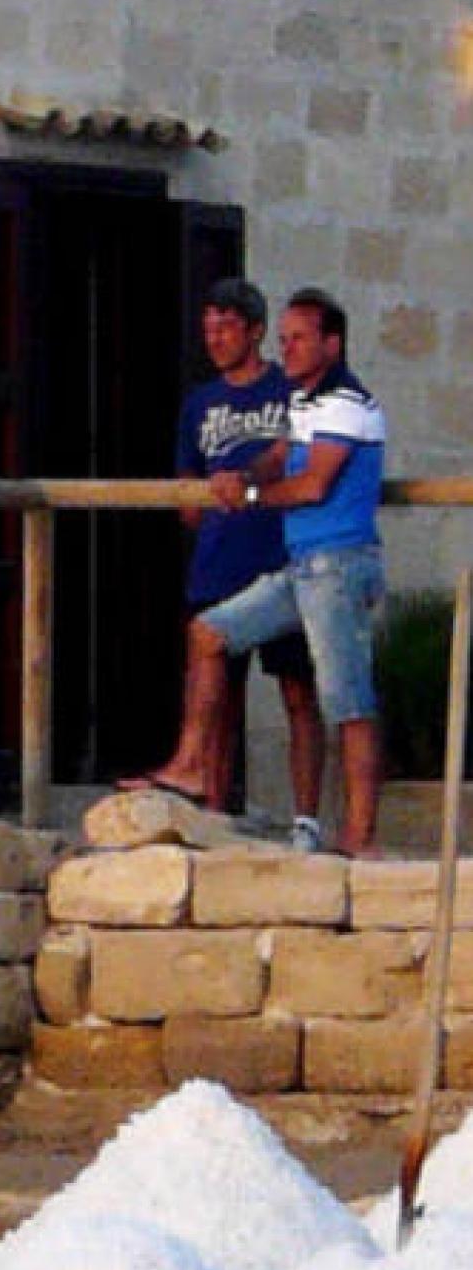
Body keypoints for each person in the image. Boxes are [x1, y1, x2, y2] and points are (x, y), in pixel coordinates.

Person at [128, 287, 389, 855]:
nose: (288, 348)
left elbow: (313, 483)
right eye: (286, 338)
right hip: (301, 568)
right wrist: (243, 471)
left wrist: (247, 492)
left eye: (299, 338)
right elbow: (277, 456)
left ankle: (356, 838)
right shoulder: (305, 402)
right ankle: (192, 766)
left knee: (344, 701)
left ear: (332, 343)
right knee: (209, 633)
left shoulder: (345, 402)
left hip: (337, 565)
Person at [154, 276, 327, 835]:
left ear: (255, 330)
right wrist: (201, 503)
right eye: (209, 328)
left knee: (299, 693)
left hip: (280, 557)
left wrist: (250, 484)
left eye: (227, 326)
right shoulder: (199, 405)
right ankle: (212, 808)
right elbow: (186, 484)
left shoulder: (288, 393)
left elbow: (293, 458)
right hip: (219, 562)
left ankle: (306, 819)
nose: (217, 338)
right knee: (218, 694)